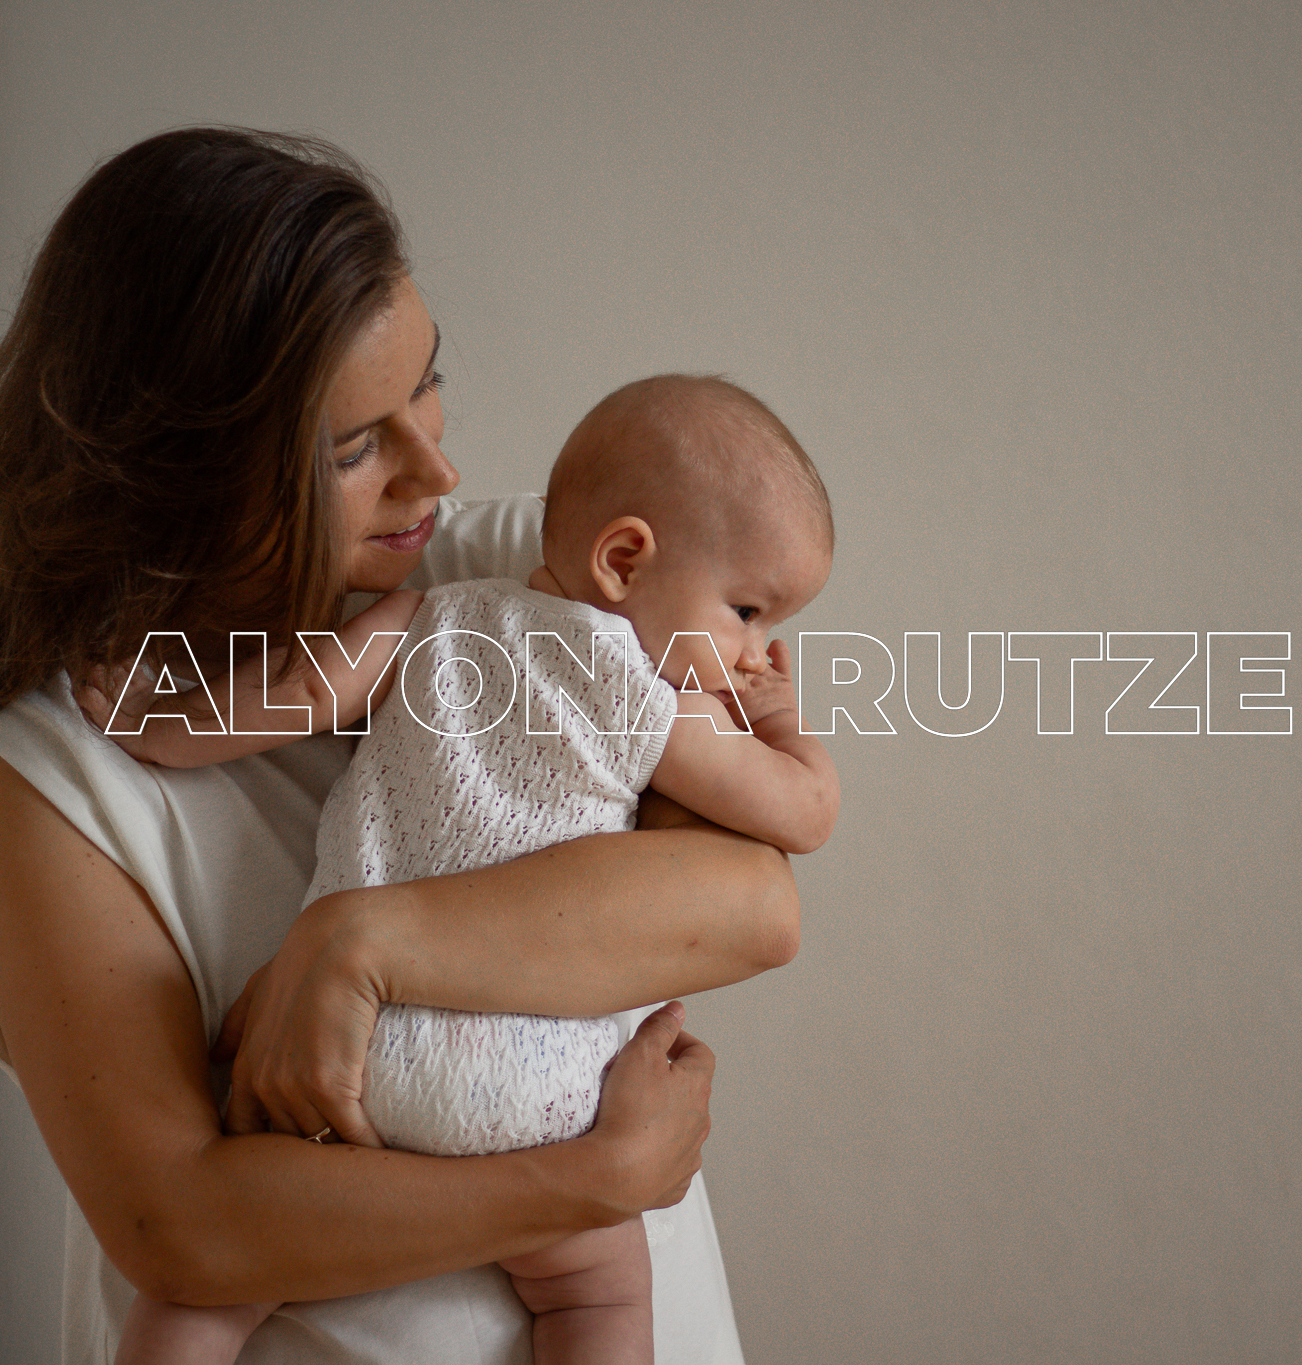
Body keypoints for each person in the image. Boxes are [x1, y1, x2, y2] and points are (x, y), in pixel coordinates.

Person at [0, 127, 800, 1365]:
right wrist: (591, 1181)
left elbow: (752, 907)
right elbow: (184, 1228)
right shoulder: (41, 769)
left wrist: (360, 944)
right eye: (352, 447)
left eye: (427, 382)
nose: (435, 469)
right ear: (182, 473)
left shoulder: (522, 575)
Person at [98, 374, 840, 1365]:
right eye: (747, 612)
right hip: (536, 1106)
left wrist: (147, 723)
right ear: (623, 559)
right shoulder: (654, 702)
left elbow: (293, 697)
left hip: (342, 1064)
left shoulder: (428, 617)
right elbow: (802, 814)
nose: (754, 651)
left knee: (200, 1306)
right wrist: (782, 724)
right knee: (601, 1297)